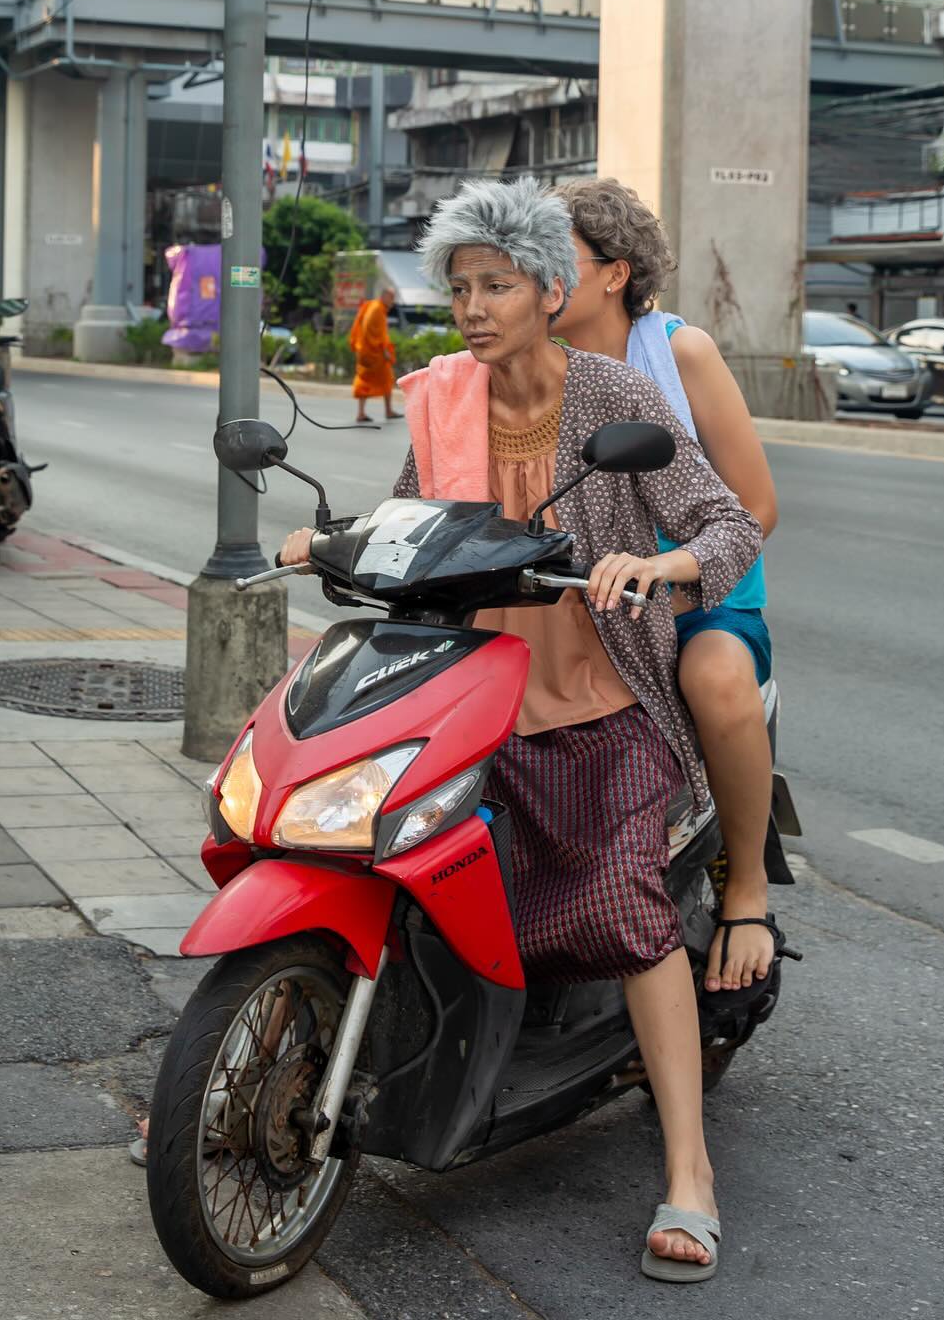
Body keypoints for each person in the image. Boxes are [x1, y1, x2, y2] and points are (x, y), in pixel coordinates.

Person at [283, 179, 763, 1282]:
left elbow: (726, 522)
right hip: (463, 689)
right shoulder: (445, 396)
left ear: (552, 290)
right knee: (345, 836)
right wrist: (332, 541)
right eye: (460, 287)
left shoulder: (605, 395)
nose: (475, 306)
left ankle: (687, 1169)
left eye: (497, 284)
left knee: (617, 899)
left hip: (596, 700)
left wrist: (662, 564)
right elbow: (410, 515)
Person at [556, 180, 778, 999]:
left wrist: (672, 582)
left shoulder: (679, 352)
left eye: (558, 262)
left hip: (699, 593)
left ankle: (746, 889)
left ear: (615, 273)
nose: (534, 280)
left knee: (714, 679)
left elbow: (755, 508)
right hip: (581, 595)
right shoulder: (530, 362)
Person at [349, 285, 398, 424]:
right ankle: (382, 411)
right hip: (373, 353)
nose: (392, 301)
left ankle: (366, 412)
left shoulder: (376, 307)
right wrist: (384, 350)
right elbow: (374, 333)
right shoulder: (376, 309)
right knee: (381, 379)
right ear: (384, 296)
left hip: (367, 351)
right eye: (391, 298)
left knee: (377, 379)